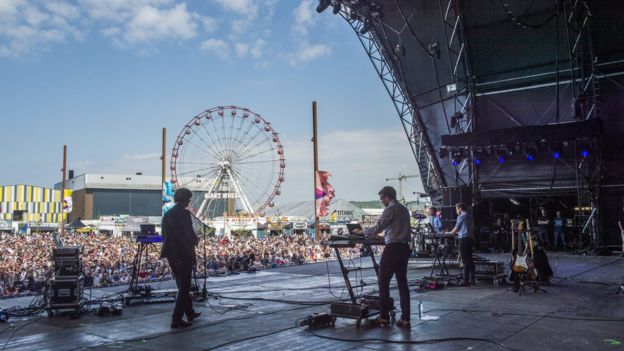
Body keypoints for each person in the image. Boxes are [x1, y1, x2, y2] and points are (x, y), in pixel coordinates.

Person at [353, 186, 411, 328]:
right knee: (402, 283)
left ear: (387, 197)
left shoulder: (391, 208)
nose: (381, 202)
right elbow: (394, 228)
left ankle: (383, 316)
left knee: (383, 281)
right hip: (404, 248)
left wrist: (361, 232)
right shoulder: (404, 209)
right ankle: (405, 318)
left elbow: (379, 226)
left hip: (393, 248)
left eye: (381, 199)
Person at [160, 188, 201, 329]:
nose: (189, 201)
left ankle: (189, 312)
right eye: (188, 199)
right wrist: (195, 240)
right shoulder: (183, 213)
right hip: (182, 253)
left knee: (182, 284)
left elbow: (164, 235)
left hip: (171, 254)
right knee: (184, 286)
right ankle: (176, 319)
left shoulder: (167, 214)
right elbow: (187, 233)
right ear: (184, 199)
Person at [449, 203, 474, 286]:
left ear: (460, 208)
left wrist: (448, 232)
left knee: (465, 261)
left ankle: (465, 281)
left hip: (464, 240)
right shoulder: (470, 216)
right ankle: (472, 279)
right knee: (470, 260)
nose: (456, 211)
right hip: (470, 239)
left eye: (456, 209)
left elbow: (455, 230)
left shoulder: (461, 216)